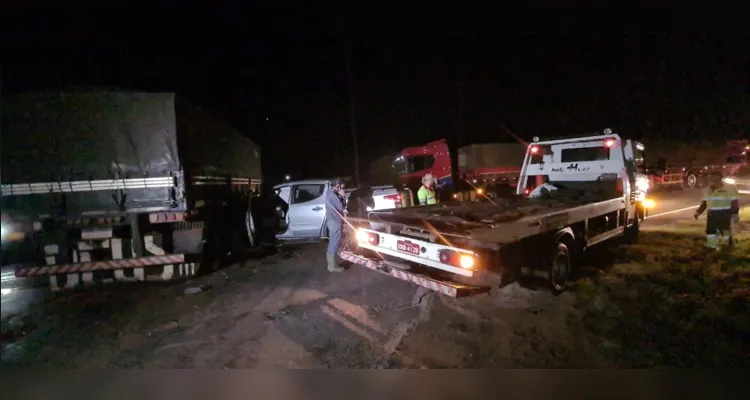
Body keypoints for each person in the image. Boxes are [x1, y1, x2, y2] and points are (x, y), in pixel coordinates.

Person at [694, 174, 739, 249]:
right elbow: (704, 203)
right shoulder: (708, 189)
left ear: (720, 180)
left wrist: (735, 214)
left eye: (714, 181)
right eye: (711, 181)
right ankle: (711, 245)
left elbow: (734, 202)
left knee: (725, 230)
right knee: (710, 230)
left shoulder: (729, 187)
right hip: (712, 213)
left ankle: (727, 245)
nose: (712, 183)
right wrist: (698, 212)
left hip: (725, 212)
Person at [324, 177, 347, 272]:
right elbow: (341, 207)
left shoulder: (329, 193)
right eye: (342, 187)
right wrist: (342, 196)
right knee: (334, 242)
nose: (343, 188)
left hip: (332, 221)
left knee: (332, 242)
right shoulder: (333, 195)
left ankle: (331, 265)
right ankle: (332, 266)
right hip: (335, 221)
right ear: (337, 186)